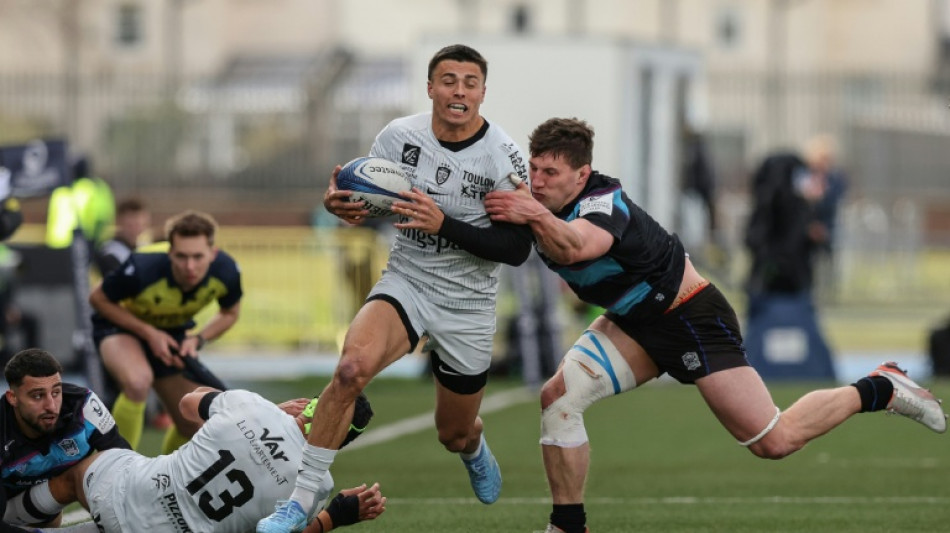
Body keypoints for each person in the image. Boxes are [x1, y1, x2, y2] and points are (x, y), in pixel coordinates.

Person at [482, 117, 947, 533]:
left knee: (774, 441)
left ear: (581, 175)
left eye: (550, 174)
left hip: (691, 317)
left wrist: (531, 212)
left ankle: (879, 387)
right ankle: (567, 526)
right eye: (534, 169)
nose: (537, 182)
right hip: (632, 323)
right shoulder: (538, 204)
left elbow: (574, 248)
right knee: (558, 398)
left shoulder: (604, 203)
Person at [257, 43, 533, 532]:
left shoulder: (503, 158)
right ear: (430, 87)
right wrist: (340, 206)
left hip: (468, 303)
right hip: (407, 281)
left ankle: (474, 445)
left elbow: (514, 249)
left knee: (452, 432)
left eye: (470, 83)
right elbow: (366, 202)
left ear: (483, 93)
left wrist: (443, 223)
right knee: (349, 369)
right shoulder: (397, 137)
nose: (459, 91)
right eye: (449, 80)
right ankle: (299, 501)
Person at [5, 387, 383, 533]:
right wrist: (335, 517)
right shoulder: (319, 487)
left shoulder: (253, 406)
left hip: (124, 494)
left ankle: (15, 517)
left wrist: (270, 410)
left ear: (312, 403)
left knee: (86, 467)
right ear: (341, 442)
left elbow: (187, 403)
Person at [89, 210, 241, 455]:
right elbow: (98, 298)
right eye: (181, 256)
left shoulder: (227, 271)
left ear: (212, 254)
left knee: (192, 420)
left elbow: (230, 312)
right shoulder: (142, 266)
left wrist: (198, 338)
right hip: (120, 326)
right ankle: (116, 466)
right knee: (138, 382)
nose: (189, 266)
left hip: (172, 334)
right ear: (170, 252)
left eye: (197, 257)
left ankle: (166, 477)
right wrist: (149, 333)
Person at [0, 348, 129, 529]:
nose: (51, 406)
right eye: (37, 396)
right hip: (6, 509)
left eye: (56, 392)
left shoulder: (82, 405)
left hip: (40, 506)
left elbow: (124, 462)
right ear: (12, 397)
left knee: (98, 467)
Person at [93, 197, 151, 278]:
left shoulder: (144, 248)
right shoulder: (110, 252)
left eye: (139, 224)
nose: (135, 229)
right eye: (130, 225)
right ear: (118, 221)